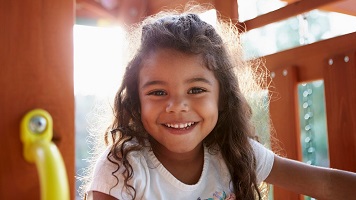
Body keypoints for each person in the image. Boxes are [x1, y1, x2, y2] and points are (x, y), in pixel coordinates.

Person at [84, 4, 356, 200]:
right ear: (135, 101)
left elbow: (326, 184)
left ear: (222, 97)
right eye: (157, 92)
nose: (177, 105)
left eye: (196, 90)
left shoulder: (234, 152)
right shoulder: (122, 168)